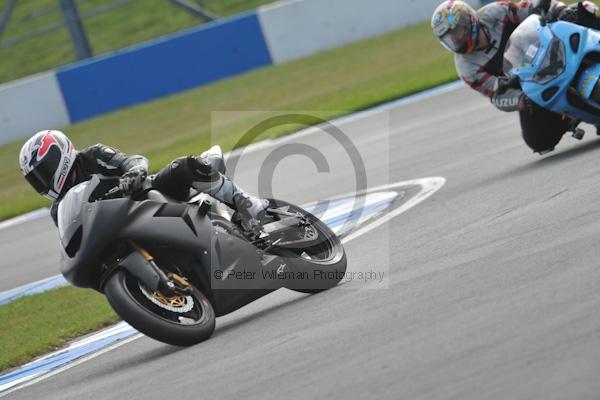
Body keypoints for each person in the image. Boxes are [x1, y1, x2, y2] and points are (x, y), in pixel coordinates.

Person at [431, 0, 600, 153]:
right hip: (531, 83)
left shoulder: (495, 12)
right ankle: (576, 113)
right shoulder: (466, 68)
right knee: (538, 141)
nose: (456, 41)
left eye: (457, 33)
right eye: (450, 39)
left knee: (582, 10)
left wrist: (560, 10)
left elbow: (532, 7)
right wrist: (520, 100)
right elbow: (497, 95)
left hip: (550, 46)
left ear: (469, 20)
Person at [18, 130, 268, 233]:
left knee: (183, 165)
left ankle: (246, 203)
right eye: (36, 178)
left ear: (60, 153)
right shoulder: (58, 210)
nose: (44, 179)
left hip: (150, 196)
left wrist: (134, 174)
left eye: (45, 169)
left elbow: (132, 161)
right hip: (122, 230)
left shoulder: (92, 156)